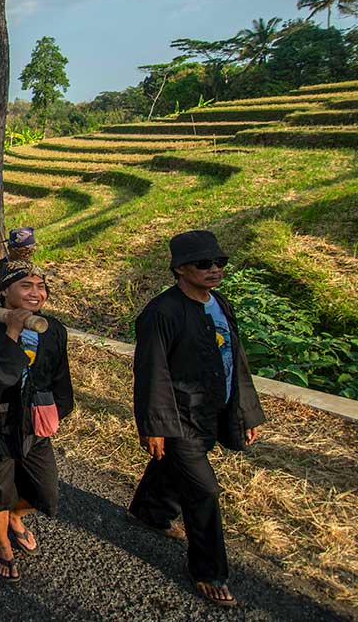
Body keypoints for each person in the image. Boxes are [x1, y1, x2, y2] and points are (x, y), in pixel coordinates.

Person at [128, 230, 265, 608]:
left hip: (213, 409)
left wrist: (246, 411)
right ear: (180, 269)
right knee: (203, 490)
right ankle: (208, 570)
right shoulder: (161, 313)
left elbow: (236, 360)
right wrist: (154, 425)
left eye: (219, 262)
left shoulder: (219, 302)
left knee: (173, 468)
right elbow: (151, 371)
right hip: (179, 417)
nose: (214, 269)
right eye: (204, 264)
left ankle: (149, 510)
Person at [0, 260, 74, 582]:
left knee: (46, 491)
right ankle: (2, 544)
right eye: (26, 286)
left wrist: (57, 411)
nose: (35, 293)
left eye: (40, 286)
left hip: (34, 425)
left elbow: (59, 376)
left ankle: (16, 516)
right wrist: (12, 331)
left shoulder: (52, 328)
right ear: (3, 292)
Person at [0, 227, 36, 304]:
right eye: (22, 251)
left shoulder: (31, 267)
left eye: (30, 251)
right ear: (10, 249)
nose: (27, 255)